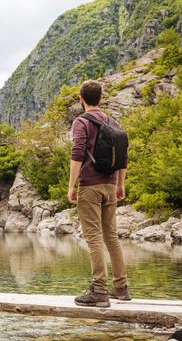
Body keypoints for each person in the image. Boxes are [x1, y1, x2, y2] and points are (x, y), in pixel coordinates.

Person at [67, 80, 130, 308]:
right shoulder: (112, 121)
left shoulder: (81, 122)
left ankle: (99, 291)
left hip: (90, 186)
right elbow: (122, 156)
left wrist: (72, 186)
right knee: (111, 237)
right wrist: (120, 184)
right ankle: (121, 288)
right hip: (110, 185)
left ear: (81, 98)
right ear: (101, 98)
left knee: (93, 237)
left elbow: (77, 154)